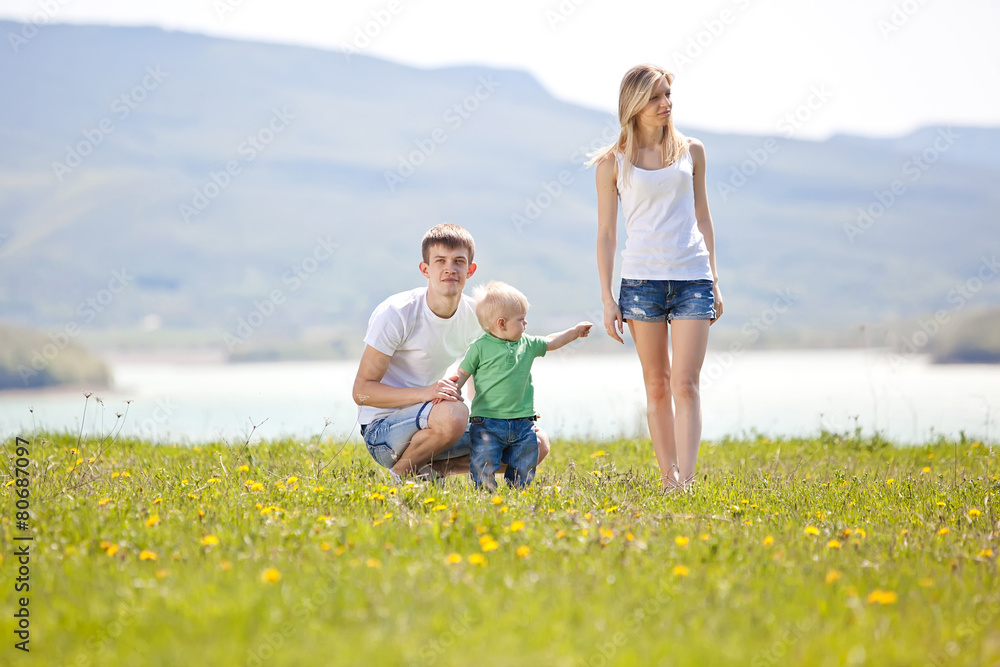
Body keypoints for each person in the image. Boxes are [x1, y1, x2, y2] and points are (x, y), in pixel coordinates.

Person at [590, 64, 724, 491]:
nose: (665, 103)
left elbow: (704, 217)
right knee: (657, 384)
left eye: (668, 95)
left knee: (686, 384)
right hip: (641, 283)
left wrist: (715, 282)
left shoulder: (693, 151)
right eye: (655, 97)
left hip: (692, 279)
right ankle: (669, 480)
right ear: (633, 105)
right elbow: (607, 235)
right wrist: (608, 299)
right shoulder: (613, 164)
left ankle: (687, 479)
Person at [352, 223, 551, 481]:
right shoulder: (397, 312)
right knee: (454, 413)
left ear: (470, 269)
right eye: (440, 261)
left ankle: (435, 471)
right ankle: (398, 475)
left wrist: (511, 413)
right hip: (383, 433)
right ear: (425, 269)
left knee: (536, 442)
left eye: (458, 261)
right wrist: (427, 393)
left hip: (436, 422)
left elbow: (483, 379)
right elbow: (362, 392)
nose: (450, 268)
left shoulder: (476, 316)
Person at [454, 281, 592, 490]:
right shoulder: (479, 347)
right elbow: (462, 373)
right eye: (521, 319)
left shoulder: (526, 344)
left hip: (523, 422)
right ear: (501, 324)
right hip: (487, 423)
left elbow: (551, 341)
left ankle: (519, 491)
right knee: (484, 460)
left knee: (525, 458)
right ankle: (484, 492)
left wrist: (574, 332)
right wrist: (452, 390)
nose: (525, 323)